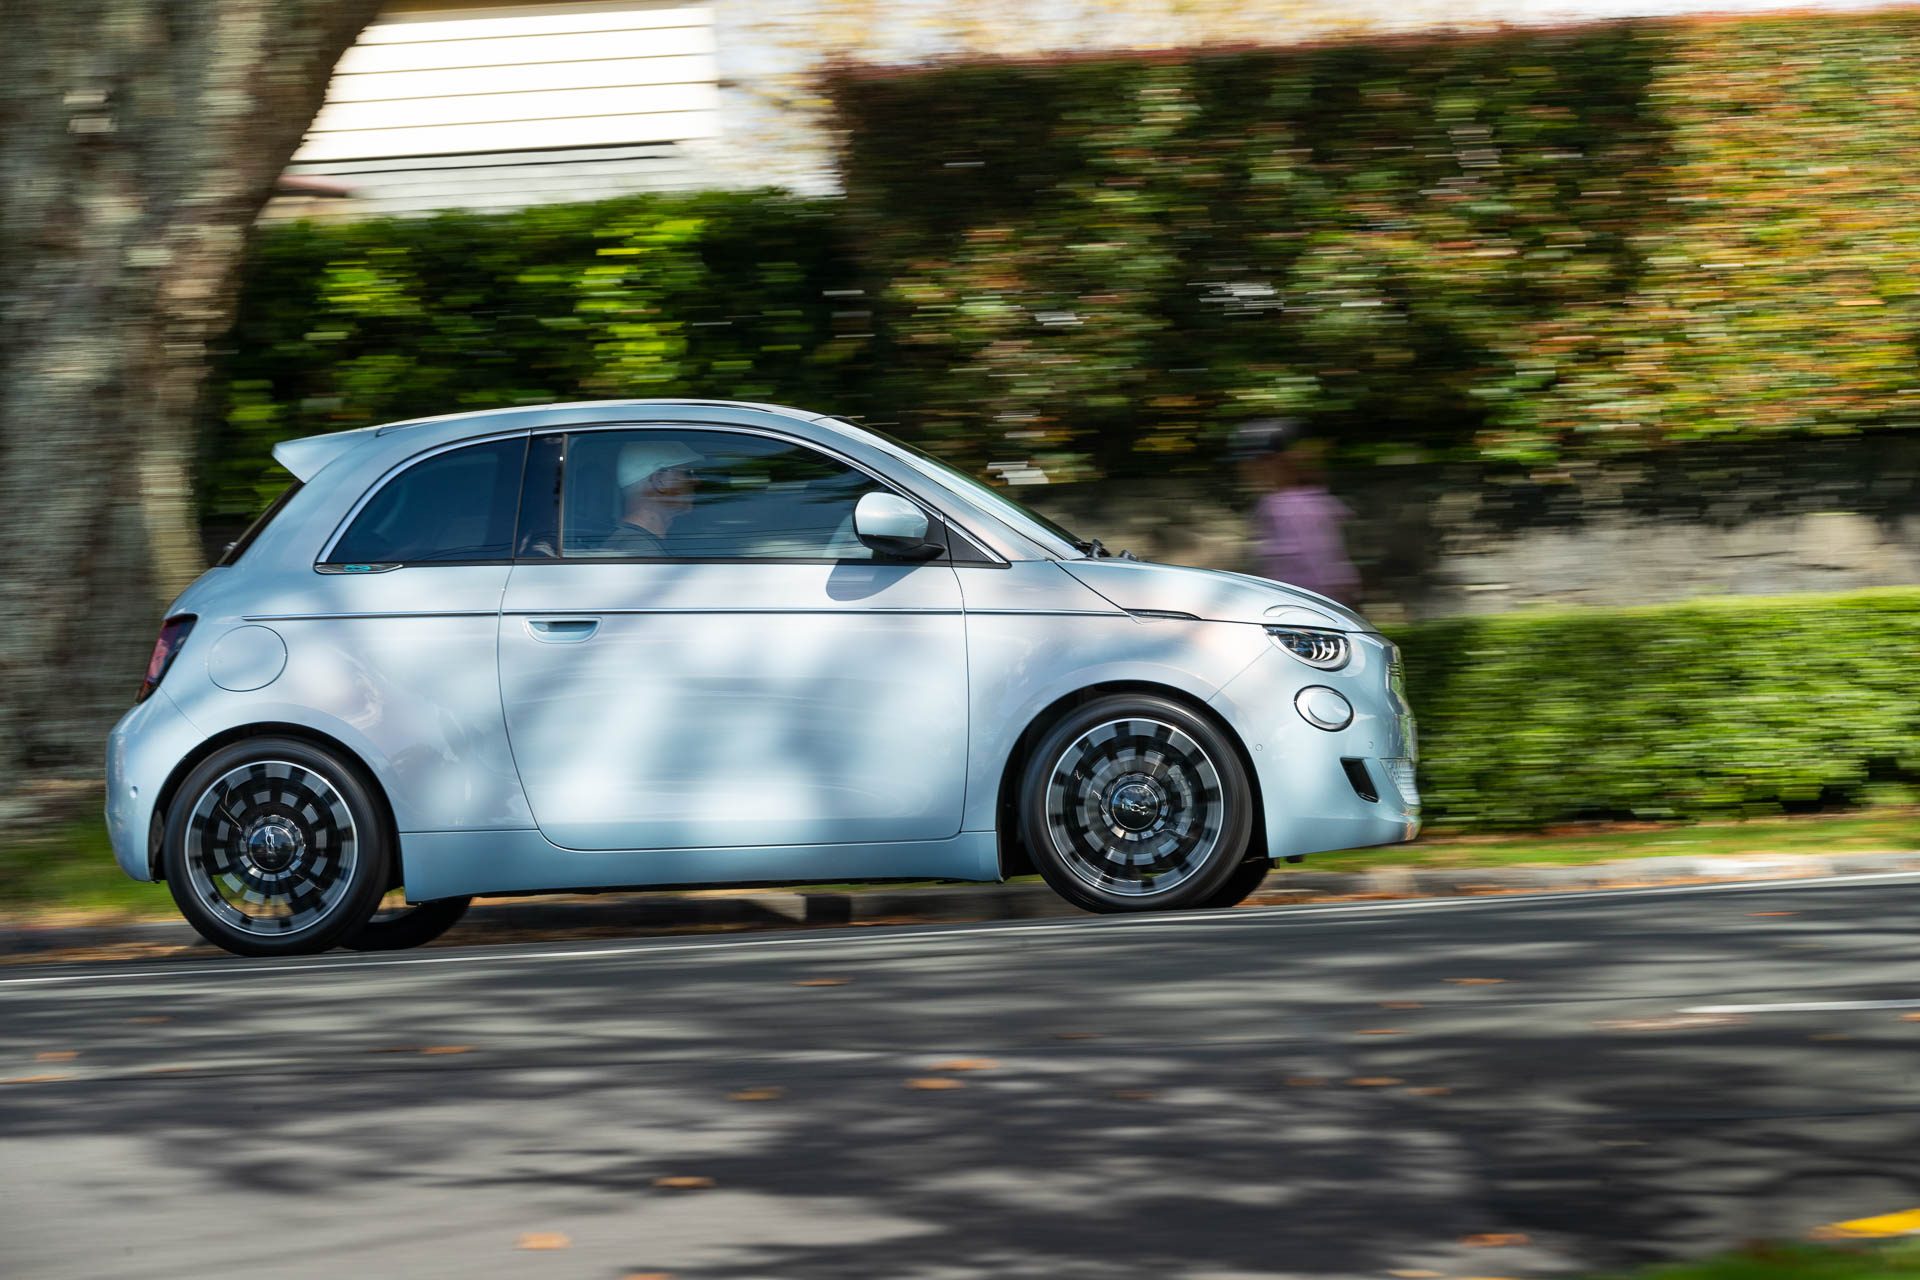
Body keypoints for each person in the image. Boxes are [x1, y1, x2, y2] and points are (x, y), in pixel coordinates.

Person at [1230, 417, 1361, 607]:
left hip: (1306, 612)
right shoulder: (1310, 500)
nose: (1243, 469)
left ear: (1273, 463)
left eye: (1249, 462)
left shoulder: (1287, 507)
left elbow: (1323, 572)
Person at [601, 438, 703, 556]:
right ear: (659, 481)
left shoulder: (638, 545)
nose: (696, 480)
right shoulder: (639, 551)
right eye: (688, 473)